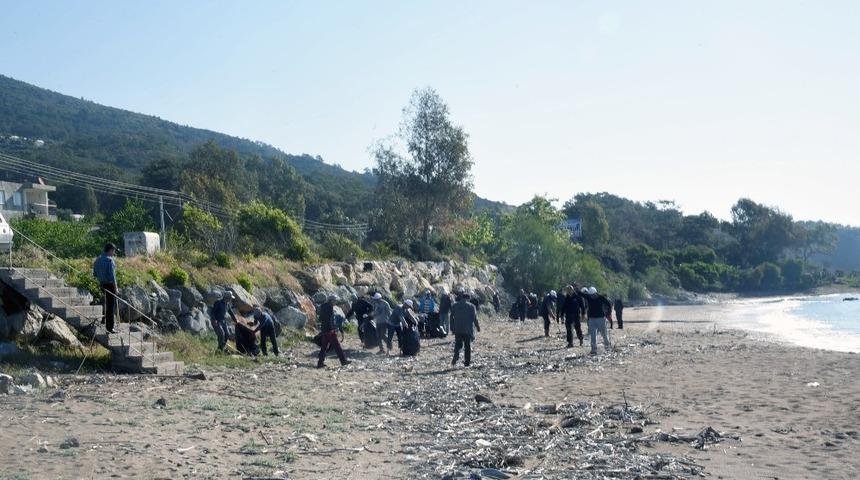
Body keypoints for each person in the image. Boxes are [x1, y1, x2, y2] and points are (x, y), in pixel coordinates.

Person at [317, 295, 350, 368]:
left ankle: (320, 363)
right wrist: (333, 328)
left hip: (324, 329)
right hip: (330, 330)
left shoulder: (323, 307)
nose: (335, 302)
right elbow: (331, 319)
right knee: (337, 346)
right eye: (335, 301)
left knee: (324, 347)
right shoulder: (330, 307)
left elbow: (320, 319)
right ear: (331, 300)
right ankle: (343, 361)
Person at [92, 243, 119, 334]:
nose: (114, 253)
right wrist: (116, 288)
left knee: (105, 303)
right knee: (111, 306)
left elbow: (94, 273)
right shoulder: (109, 260)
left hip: (102, 284)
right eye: (113, 251)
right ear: (110, 250)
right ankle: (110, 328)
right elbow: (112, 276)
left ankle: (104, 320)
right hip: (110, 285)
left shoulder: (98, 260)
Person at [450, 292, 481, 367]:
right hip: (467, 330)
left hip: (457, 329)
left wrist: (452, 327)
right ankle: (467, 363)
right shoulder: (471, 306)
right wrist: (478, 327)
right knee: (467, 347)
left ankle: (456, 355)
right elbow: (474, 318)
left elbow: (451, 317)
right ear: (468, 298)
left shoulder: (455, 305)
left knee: (458, 344)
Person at [582, 286, 612, 355]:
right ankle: (594, 350)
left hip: (601, 319)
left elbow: (609, 305)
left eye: (593, 295)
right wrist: (576, 289)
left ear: (596, 293)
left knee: (604, 334)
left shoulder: (601, 298)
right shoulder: (589, 297)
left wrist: (608, 313)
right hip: (592, 319)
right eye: (591, 295)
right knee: (593, 335)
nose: (592, 296)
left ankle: (607, 347)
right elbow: (582, 294)